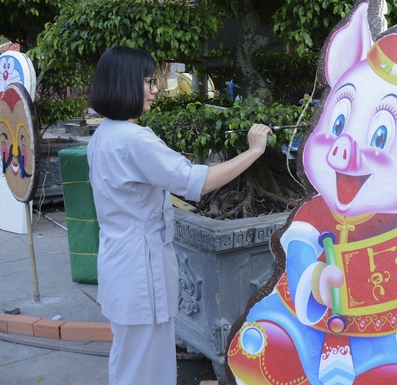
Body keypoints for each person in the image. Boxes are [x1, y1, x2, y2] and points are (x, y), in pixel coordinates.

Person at [86, 46, 272, 385]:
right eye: (148, 82)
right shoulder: (133, 140)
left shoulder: (104, 135)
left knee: (131, 362)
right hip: (140, 271)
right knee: (144, 369)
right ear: (125, 83)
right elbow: (198, 183)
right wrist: (254, 151)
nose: (155, 89)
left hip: (121, 264)